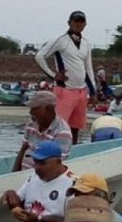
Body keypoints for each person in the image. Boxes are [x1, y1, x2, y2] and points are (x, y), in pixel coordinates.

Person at [35, 10, 96, 144]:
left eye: (81, 21)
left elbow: (88, 68)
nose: (78, 24)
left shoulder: (86, 43)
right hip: (65, 90)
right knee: (58, 127)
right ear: (69, 22)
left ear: (85, 24)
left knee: (75, 128)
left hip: (81, 91)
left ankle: (72, 151)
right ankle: (51, 152)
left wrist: (92, 91)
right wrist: (53, 75)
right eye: (75, 21)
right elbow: (40, 56)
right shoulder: (61, 39)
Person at [12, 91, 72, 171]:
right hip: (25, 173)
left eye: (34, 109)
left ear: (48, 109)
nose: (30, 112)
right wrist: (14, 174)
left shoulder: (62, 133)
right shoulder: (31, 124)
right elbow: (23, 150)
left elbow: (55, 166)